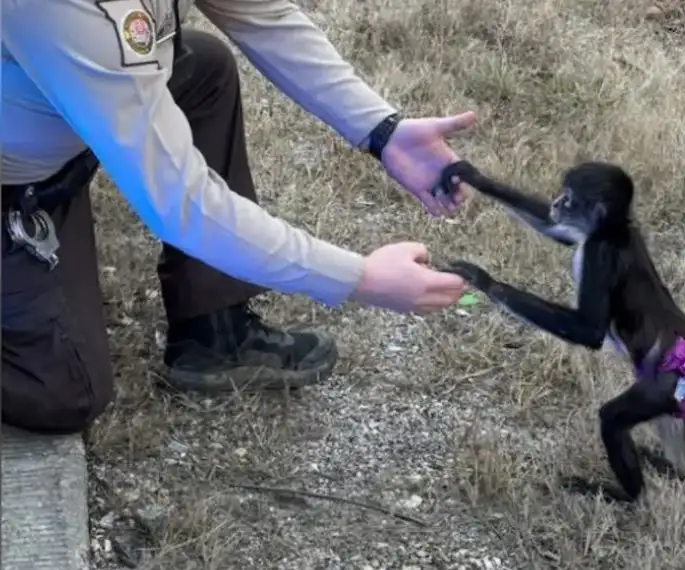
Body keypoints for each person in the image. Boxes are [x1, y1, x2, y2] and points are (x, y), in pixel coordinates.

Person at [1, 0, 473, 435]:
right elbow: (184, 206)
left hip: (52, 121)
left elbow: (260, 12)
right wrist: (360, 278)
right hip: (17, 174)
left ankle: (215, 333)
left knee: (202, 68)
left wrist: (380, 130)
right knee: (64, 389)